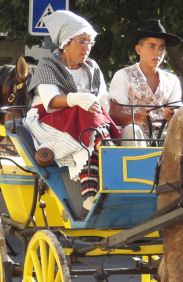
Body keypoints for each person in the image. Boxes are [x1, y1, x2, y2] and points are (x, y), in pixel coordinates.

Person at [23, 10, 120, 211]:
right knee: (89, 122)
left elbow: (102, 104)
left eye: (90, 43)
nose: (87, 48)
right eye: (82, 42)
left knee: (97, 126)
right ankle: (94, 186)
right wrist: (76, 99)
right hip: (48, 120)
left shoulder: (92, 68)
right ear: (66, 43)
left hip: (88, 122)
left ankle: (101, 184)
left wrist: (91, 107)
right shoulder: (48, 64)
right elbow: (50, 100)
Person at [109, 19, 182, 146]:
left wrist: (173, 115)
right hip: (134, 137)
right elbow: (113, 115)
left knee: (180, 135)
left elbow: (178, 115)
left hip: (162, 137)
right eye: (152, 46)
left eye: (161, 48)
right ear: (138, 49)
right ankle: (136, 165)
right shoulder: (123, 76)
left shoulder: (172, 80)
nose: (157, 53)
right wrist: (136, 117)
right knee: (133, 130)